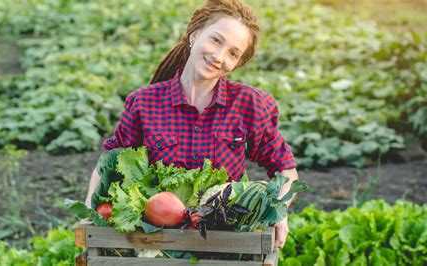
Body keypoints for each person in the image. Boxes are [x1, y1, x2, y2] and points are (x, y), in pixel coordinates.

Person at [84, 0, 299, 249]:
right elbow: (108, 164)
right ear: (194, 35)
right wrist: (91, 210)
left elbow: (285, 170)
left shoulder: (250, 105)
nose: (219, 56)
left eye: (233, 53)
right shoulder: (144, 102)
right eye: (216, 40)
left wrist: (278, 210)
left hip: (224, 243)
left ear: (237, 64)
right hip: (155, 243)